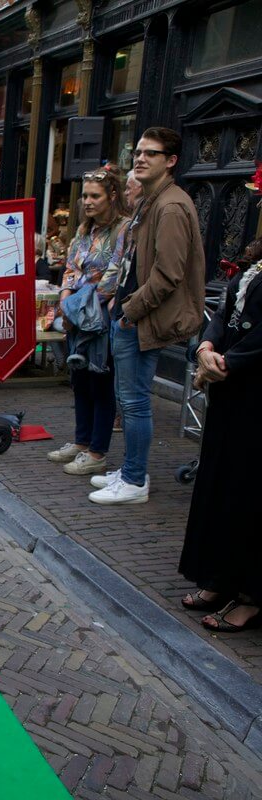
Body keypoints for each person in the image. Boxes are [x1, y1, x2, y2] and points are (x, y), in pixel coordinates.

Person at [90, 127, 205, 505]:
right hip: (132, 317)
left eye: (150, 153)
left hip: (141, 320)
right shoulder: (151, 200)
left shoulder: (170, 206)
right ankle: (129, 469)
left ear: (170, 161)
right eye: (138, 151)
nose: (140, 158)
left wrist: (128, 312)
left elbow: (169, 274)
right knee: (130, 399)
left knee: (136, 402)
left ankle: (136, 480)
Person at [177, 253, 262, 633]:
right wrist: (206, 348)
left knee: (250, 491)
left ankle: (250, 598)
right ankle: (220, 578)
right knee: (222, 483)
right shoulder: (255, 263)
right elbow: (224, 310)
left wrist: (229, 362)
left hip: (255, 397)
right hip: (231, 396)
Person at [47, 168, 130, 477]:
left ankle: (97, 451)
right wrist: (66, 303)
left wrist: (80, 303)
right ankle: (82, 442)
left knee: (100, 383)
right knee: (79, 380)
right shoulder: (84, 230)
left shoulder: (124, 229)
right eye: (84, 195)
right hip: (76, 313)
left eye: (94, 195)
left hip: (99, 316)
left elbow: (114, 275)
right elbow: (70, 268)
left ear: (112, 196)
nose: (87, 201)